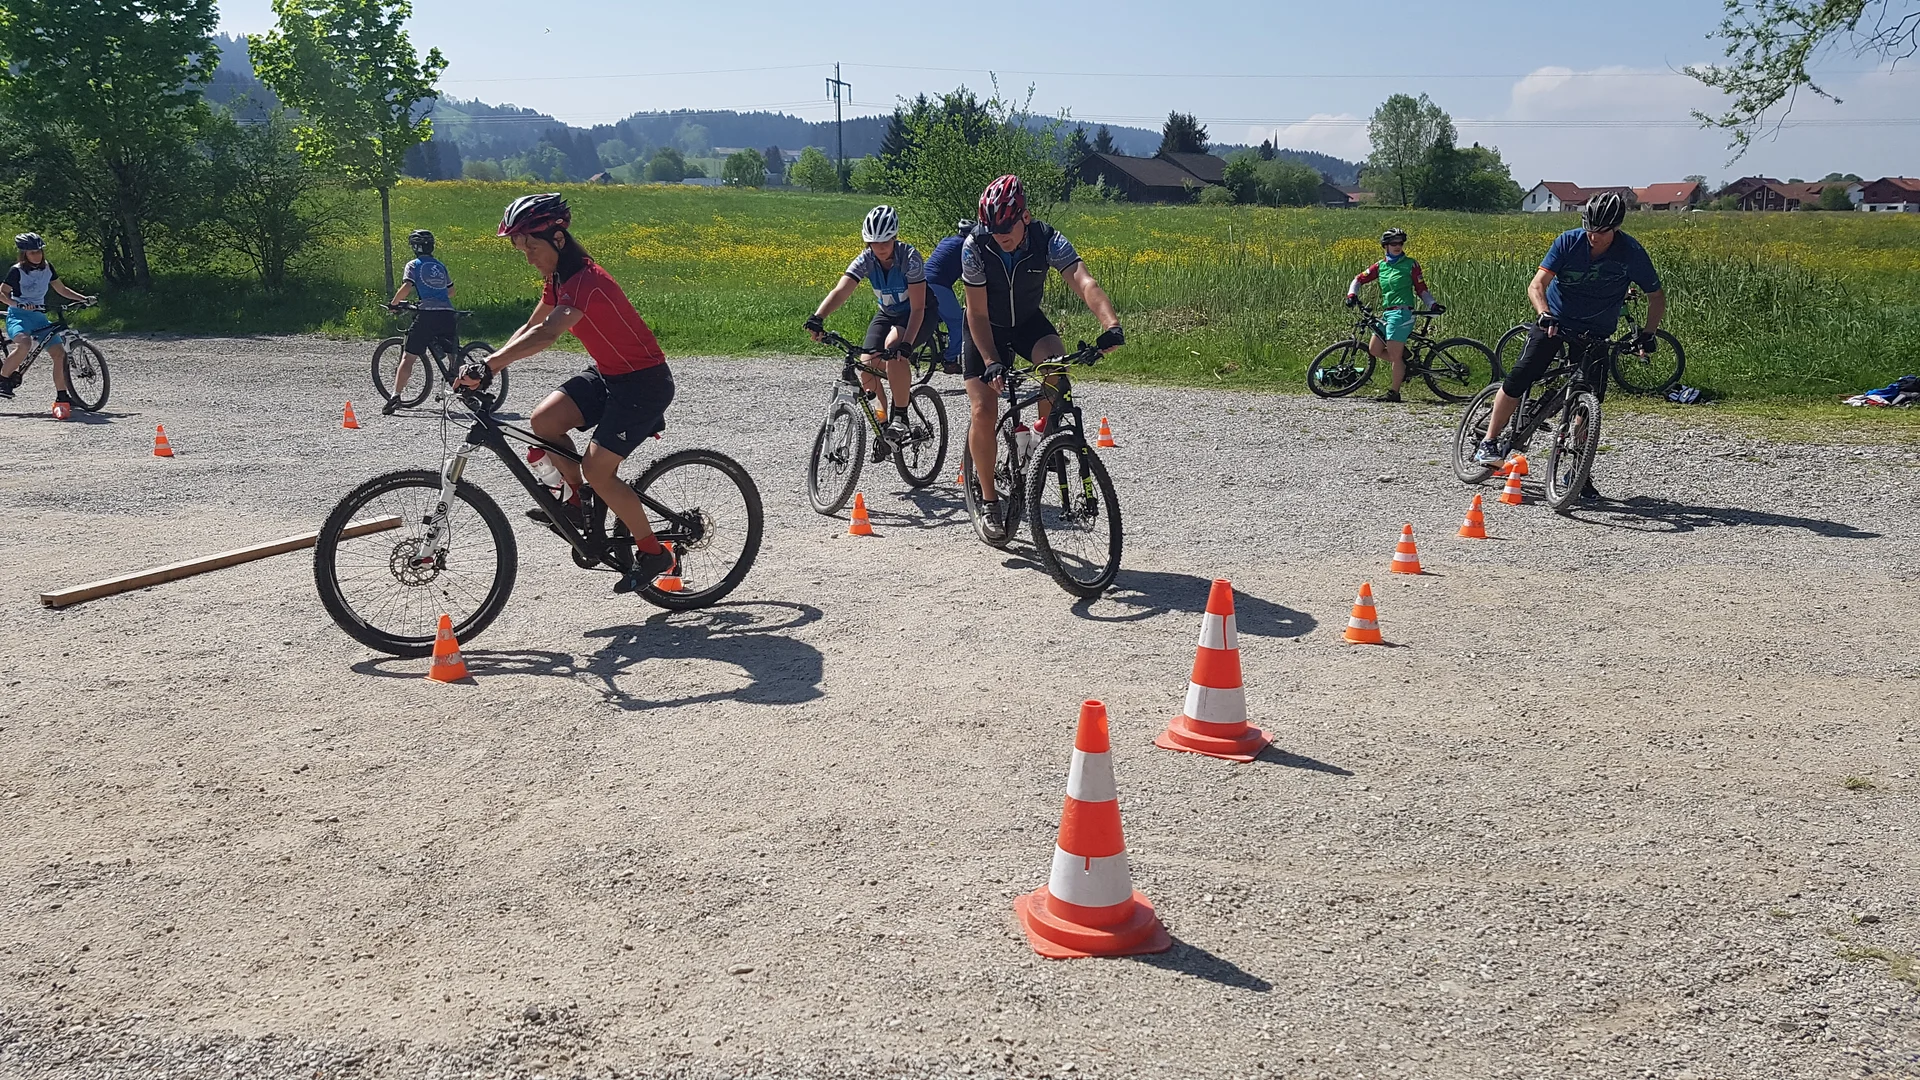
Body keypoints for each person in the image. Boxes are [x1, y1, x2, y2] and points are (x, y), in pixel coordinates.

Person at [453, 194, 677, 593]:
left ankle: (653, 551)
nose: (528, 257)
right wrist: (488, 362)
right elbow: (531, 324)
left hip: (644, 383)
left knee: (598, 471)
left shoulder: (586, 282)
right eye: (520, 249)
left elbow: (548, 334)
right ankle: (578, 503)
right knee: (544, 421)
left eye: (532, 247)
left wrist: (491, 367)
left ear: (558, 238)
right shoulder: (557, 279)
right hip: (609, 375)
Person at [1471, 191, 1666, 501]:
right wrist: (1544, 314)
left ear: (1615, 228)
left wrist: (1648, 333)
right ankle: (1490, 441)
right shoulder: (1568, 242)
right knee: (1522, 375)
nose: (1593, 236)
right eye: (1589, 227)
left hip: (1597, 331)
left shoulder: (1631, 252)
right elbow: (1537, 284)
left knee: (1588, 404)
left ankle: (1578, 470)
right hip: (1556, 322)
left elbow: (1656, 296)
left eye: (1601, 231)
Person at [960, 175, 1125, 541]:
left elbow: (1084, 281)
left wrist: (1110, 325)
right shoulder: (974, 246)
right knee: (984, 410)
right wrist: (990, 361)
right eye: (993, 228)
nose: (1000, 235)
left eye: (1007, 227)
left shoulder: (1046, 238)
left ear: (1026, 217)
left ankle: (1039, 438)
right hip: (986, 327)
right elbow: (977, 314)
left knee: (1056, 363)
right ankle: (989, 501)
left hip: (1028, 322)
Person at [805, 205, 927, 455]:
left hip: (917, 312)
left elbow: (918, 309)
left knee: (893, 349)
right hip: (887, 312)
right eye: (873, 242)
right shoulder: (867, 259)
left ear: (895, 237)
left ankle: (901, 417)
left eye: (885, 241)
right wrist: (818, 316)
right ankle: (884, 423)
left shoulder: (910, 259)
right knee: (866, 365)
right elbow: (842, 289)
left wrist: (907, 344)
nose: (880, 247)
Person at [1, 233, 95, 416]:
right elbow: (2, 293)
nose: (37, 256)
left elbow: (61, 289)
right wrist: (17, 304)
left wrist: (83, 299)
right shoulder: (16, 271)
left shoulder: (47, 268)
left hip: (39, 316)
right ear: (24, 254)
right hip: (19, 316)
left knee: (59, 353)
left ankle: (62, 396)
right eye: (32, 252)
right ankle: (3, 380)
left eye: (39, 252)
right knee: (24, 344)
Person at [1344, 227, 1441, 403]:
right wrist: (1351, 294)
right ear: (1385, 246)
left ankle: (1394, 393)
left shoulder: (1410, 264)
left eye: (1400, 243)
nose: (1398, 246)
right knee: (1374, 350)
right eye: (1393, 243)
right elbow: (1358, 279)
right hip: (1387, 313)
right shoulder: (1381, 266)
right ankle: (1405, 365)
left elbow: (1421, 288)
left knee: (1395, 356)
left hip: (1402, 313)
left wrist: (1432, 304)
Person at [383, 229, 456, 414]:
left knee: (408, 357)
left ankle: (395, 397)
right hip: (447, 312)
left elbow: (407, 286)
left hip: (427, 315)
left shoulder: (413, 265)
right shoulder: (440, 266)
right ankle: (460, 380)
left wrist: (394, 304)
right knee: (453, 352)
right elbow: (451, 291)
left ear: (415, 247)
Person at [921, 218, 974, 375]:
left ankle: (935, 342)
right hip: (937, 284)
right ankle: (950, 360)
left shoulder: (947, 241)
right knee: (958, 322)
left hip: (920, 281)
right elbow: (969, 276)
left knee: (939, 315)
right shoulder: (965, 247)